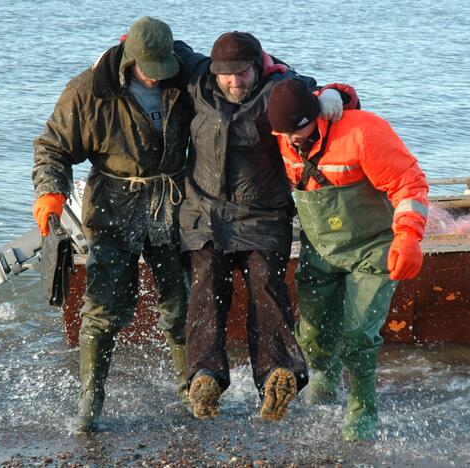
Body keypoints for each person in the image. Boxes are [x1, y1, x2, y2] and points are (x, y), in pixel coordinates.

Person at [173, 32, 346, 421]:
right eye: (227, 75)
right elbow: (159, 44)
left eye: (244, 73)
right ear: (215, 71)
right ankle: (205, 378)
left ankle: (277, 377)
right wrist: (113, 58)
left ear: (258, 66)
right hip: (204, 212)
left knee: (266, 288)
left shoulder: (279, 87)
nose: (235, 82)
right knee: (206, 287)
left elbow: (329, 93)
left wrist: (334, 97)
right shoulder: (198, 75)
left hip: (263, 213)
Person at [31, 16, 193, 433]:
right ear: (128, 57)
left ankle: (190, 389)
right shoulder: (88, 90)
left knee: (179, 305)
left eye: (164, 70)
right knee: (103, 311)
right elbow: (52, 148)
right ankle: (91, 399)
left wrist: (322, 92)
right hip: (112, 209)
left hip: (171, 203)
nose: (158, 79)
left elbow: (245, 70)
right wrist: (51, 192)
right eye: (149, 71)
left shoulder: (186, 71)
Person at [266, 78, 429, 440]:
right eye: (284, 134)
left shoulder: (363, 132)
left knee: (358, 336)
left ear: (317, 117)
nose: (292, 140)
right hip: (321, 247)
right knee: (311, 332)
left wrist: (408, 236)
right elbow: (264, 67)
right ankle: (323, 377)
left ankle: (362, 409)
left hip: (373, 248)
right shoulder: (281, 135)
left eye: (300, 130)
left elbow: (409, 183)